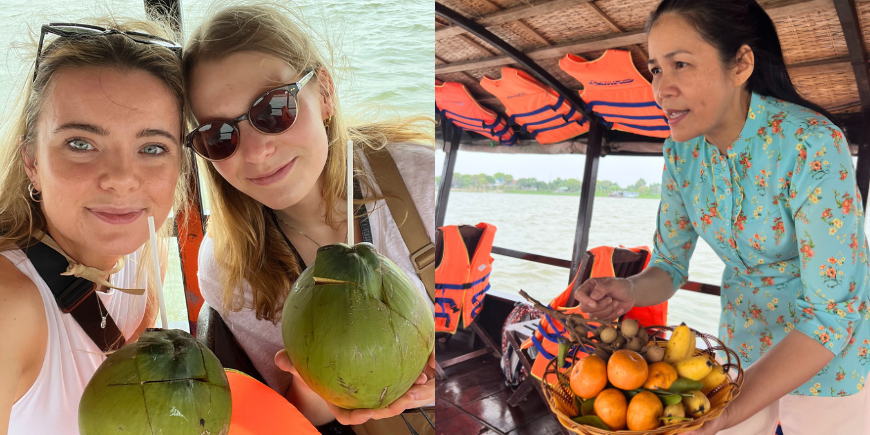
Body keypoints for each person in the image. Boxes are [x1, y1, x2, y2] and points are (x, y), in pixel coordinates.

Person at [573, 1, 870, 433]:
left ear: (741, 64)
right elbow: (670, 266)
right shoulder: (681, 151)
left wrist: (728, 413)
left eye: (681, 64)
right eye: (656, 69)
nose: (661, 90)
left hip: (829, 362)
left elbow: (833, 313)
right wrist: (630, 288)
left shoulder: (811, 143)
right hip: (739, 351)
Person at [184, 4, 435, 434]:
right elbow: (298, 417)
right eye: (219, 134)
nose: (257, 150)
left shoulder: (423, 181)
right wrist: (317, 383)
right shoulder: (228, 265)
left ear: (324, 92)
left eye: (273, 110)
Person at [0, 18, 190, 435]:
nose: (122, 178)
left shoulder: (144, 246)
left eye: (153, 147)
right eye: (81, 144)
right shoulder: (10, 308)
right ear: (31, 161)